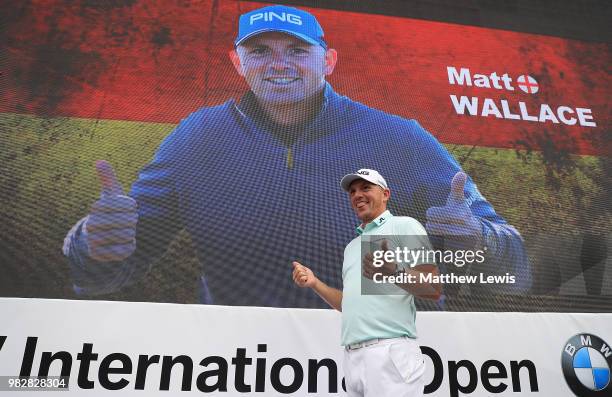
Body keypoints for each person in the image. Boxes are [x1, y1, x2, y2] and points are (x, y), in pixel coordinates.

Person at [63, 4, 530, 307]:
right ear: (237, 63)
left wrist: (480, 242)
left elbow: (516, 262)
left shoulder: (399, 138)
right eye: (260, 51)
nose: (278, 64)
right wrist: (91, 244)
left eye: (298, 50)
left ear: (328, 61)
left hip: (377, 359)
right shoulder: (196, 137)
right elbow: (111, 270)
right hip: (237, 365)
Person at [293, 168, 440, 396]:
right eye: (352, 191)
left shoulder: (404, 226)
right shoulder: (352, 247)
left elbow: (433, 288)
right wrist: (315, 283)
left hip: (390, 352)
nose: (357, 195)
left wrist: (394, 273)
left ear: (386, 194)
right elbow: (348, 304)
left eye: (365, 188)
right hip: (353, 358)